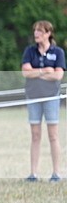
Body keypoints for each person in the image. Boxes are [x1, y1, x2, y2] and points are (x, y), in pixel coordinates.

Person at [20, 20, 65, 182]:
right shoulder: (30, 51)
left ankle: (56, 173)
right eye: (35, 31)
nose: (36, 34)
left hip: (51, 97)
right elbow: (25, 73)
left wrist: (37, 72)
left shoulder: (58, 52)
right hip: (33, 97)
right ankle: (33, 173)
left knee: (53, 135)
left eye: (40, 31)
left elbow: (58, 75)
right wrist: (44, 71)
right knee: (35, 135)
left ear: (48, 33)